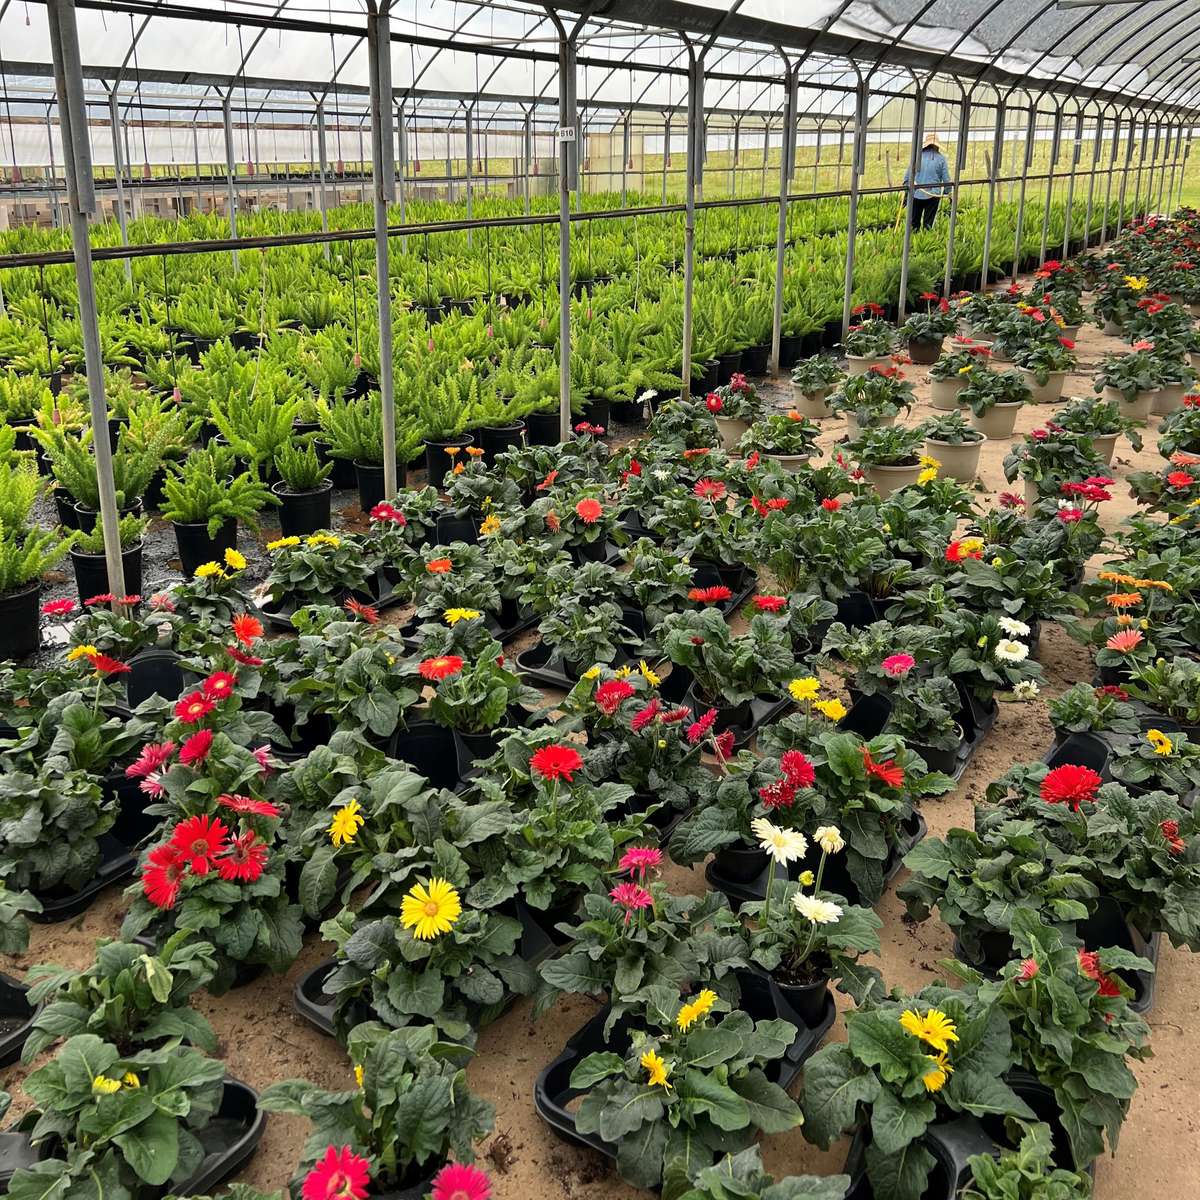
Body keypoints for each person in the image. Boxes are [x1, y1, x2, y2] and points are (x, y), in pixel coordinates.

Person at [903, 132, 951, 230]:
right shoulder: (941, 159)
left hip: (915, 194)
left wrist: (906, 192)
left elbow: (907, 178)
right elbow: (946, 180)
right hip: (933, 196)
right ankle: (925, 239)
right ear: (936, 145)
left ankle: (913, 242)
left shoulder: (916, 157)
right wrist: (948, 193)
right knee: (928, 224)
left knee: (914, 224)